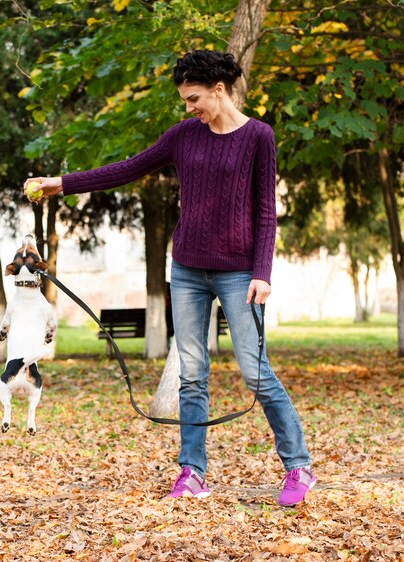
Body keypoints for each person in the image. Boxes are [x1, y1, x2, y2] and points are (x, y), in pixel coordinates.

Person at [23, 49, 316, 506]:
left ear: (220, 90)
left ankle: (298, 467)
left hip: (241, 273)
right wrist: (61, 183)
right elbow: (128, 167)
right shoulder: (183, 136)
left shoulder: (259, 136)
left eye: (194, 98)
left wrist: (263, 272)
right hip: (188, 270)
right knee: (193, 375)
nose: (189, 108)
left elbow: (265, 213)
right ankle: (192, 472)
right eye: (185, 100)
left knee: (256, 374)